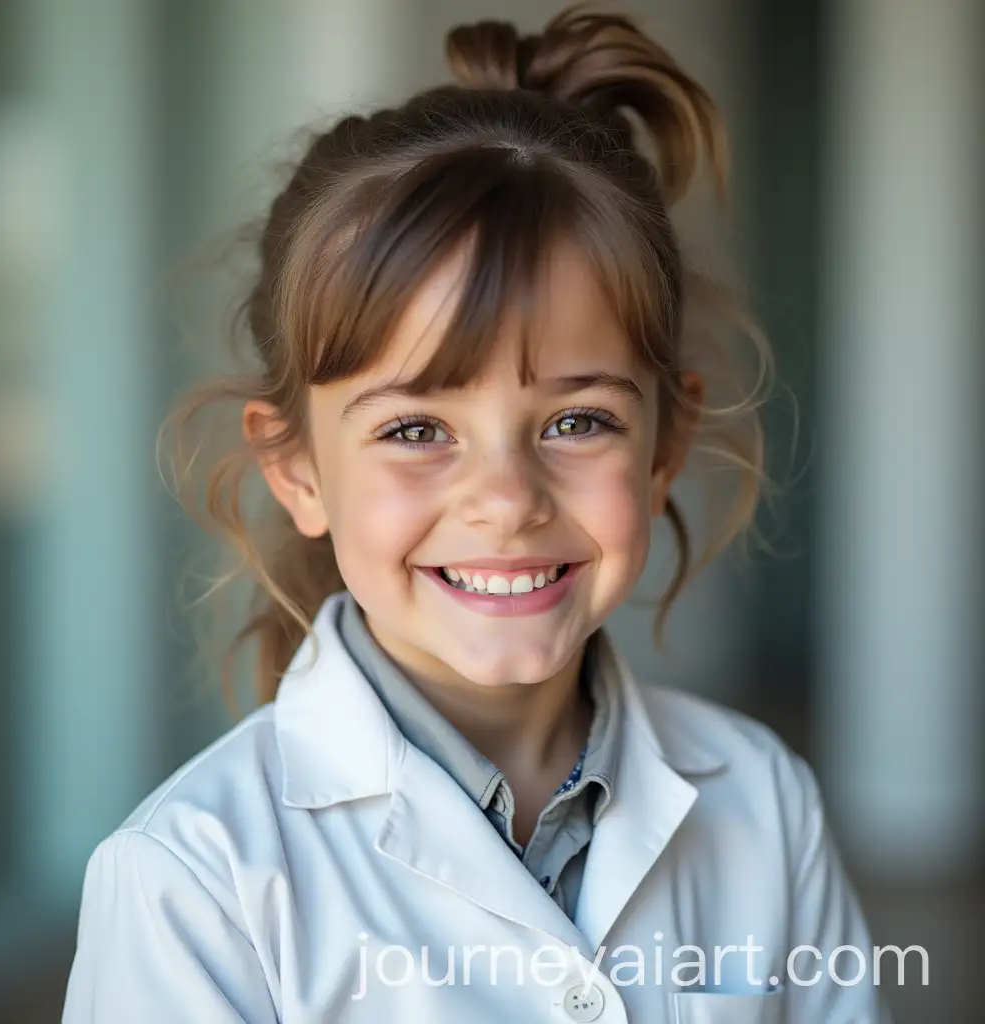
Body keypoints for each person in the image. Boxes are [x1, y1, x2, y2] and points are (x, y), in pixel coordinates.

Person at [62, 5, 891, 1021]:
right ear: (296, 469)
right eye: (416, 429)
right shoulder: (192, 879)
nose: (504, 499)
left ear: (664, 447)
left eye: (577, 419)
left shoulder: (763, 799)